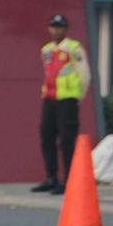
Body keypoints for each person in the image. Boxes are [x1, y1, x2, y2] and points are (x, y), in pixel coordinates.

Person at [34, 13, 89, 195]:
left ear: (66, 29)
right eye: (53, 26)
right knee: (47, 136)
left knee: (66, 140)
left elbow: (84, 76)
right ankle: (51, 177)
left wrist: (76, 97)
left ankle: (70, 179)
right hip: (49, 98)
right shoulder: (46, 50)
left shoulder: (74, 48)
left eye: (60, 27)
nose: (56, 30)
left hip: (67, 100)